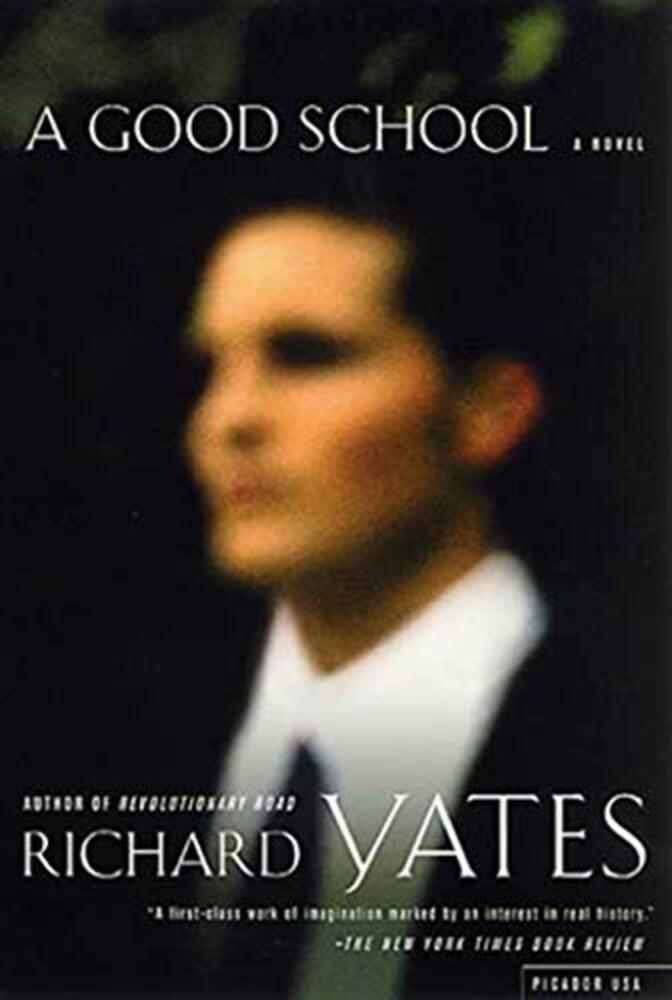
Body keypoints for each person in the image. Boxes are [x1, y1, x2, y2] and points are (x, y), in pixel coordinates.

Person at [182, 199, 557, 999]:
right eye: (208, 367)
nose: (228, 417)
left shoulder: (619, 744)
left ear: (487, 410)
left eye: (307, 355)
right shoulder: (120, 724)